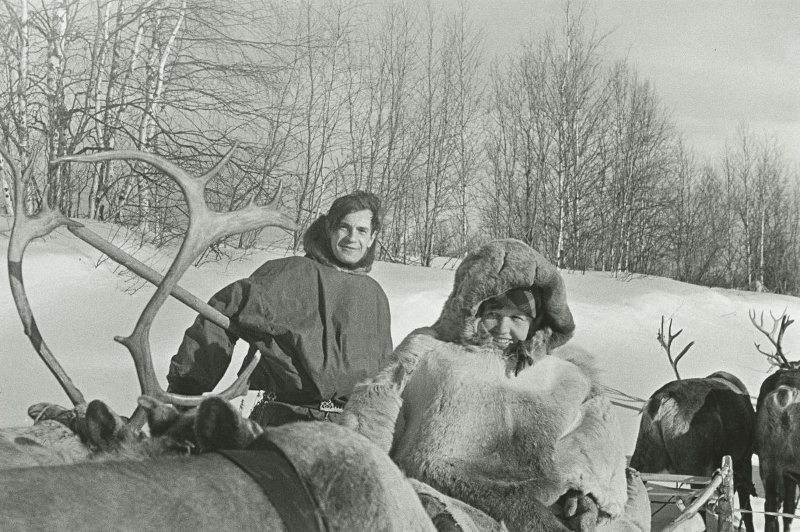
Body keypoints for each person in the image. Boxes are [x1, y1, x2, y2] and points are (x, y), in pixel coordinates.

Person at [339, 239, 651, 532]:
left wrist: (586, 498)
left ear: (537, 321)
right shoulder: (427, 354)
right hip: (441, 505)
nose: (503, 327)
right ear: (471, 311)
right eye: (493, 313)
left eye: (517, 316)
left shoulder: (567, 377)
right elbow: (371, 422)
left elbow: (593, 453)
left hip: (537, 514)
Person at [167, 190, 393, 427]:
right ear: (329, 229)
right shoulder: (289, 274)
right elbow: (222, 312)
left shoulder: (375, 296)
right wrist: (189, 385)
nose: (351, 238)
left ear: (372, 237)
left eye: (362, 230)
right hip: (286, 419)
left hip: (348, 427)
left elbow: (383, 375)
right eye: (344, 227)